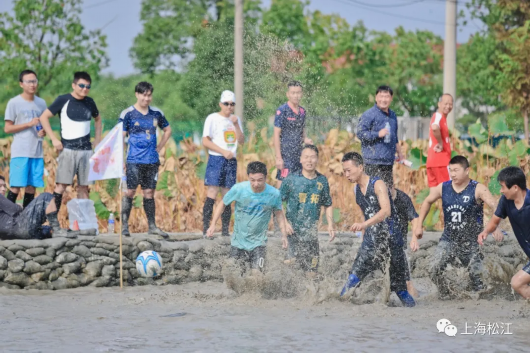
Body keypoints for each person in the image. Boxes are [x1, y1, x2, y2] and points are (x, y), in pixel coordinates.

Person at [412, 155, 503, 298]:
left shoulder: (477, 188)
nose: (452, 174)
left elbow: (495, 206)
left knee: (478, 281)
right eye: (450, 170)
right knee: (433, 268)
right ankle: (447, 292)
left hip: (471, 242)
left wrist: (495, 226)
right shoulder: (443, 187)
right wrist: (419, 225)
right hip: (448, 239)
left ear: (467, 170)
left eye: (456, 170)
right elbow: (427, 202)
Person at [340, 152, 415, 307]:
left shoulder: (377, 184)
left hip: (391, 241)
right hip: (371, 241)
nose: (346, 175)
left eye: (349, 170)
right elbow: (365, 212)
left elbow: (386, 211)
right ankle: (337, 306)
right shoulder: (356, 190)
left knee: (400, 290)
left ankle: (414, 313)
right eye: (344, 171)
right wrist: (364, 232)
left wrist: (364, 225)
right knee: (353, 278)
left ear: (360, 167)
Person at [206, 162, 290, 274]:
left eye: (259, 180)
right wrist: (212, 224)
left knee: (257, 275)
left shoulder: (274, 194)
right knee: (234, 276)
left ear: (265, 177)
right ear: (248, 177)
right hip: (238, 243)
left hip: (259, 243)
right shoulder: (239, 189)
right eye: (252, 180)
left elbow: (279, 213)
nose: (256, 184)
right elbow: (222, 203)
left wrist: (283, 235)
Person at [38, 72, 102, 215]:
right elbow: (43, 117)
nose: (84, 89)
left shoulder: (90, 102)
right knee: (61, 186)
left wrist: (97, 140)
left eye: (87, 86)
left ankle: (84, 223)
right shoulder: (63, 100)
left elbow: (98, 120)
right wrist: (54, 139)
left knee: (84, 187)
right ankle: (53, 221)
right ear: (74, 85)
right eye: (81, 85)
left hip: (86, 151)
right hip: (68, 150)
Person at [119, 82, 172, 238]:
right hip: (133, 160)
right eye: (144, 95)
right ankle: (124, 227)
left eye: (149, 95)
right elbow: (120, 137)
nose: (146, 98)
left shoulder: (156, 113)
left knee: (149, 193)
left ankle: (152, 226)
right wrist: (122, 159)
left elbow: (167, 130)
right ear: (137, 94)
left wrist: (160, 147)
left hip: (151, 161)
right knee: (129, 192)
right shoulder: (128, 114)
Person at [280, 145, 335, 278]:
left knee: (312, 274)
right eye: (306, 157)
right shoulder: (291, 180)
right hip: (293, 232)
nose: (309, 160)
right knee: (290, 263)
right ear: (300, 160)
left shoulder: (322, 180)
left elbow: (328, 204)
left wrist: (330, 225)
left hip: (311, 235)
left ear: (317, 160)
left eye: (312, 157)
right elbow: (278, 202)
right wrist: (285, 223)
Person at [478, 167, 530, 299]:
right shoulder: (506, 201)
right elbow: (495, 221)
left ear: (515, 188)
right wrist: (485, 232)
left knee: (517, 283)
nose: (501, 190)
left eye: (502, 187)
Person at [202, 90, 245, 237]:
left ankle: (225, 231)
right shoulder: (212, 118)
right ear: (220, 104)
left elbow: (241, 141)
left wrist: (236, 125)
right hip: (217, 159)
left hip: (231, 161)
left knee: (227, 195)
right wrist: (222, 151)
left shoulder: (235, 119)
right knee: (212, 193)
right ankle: (206, 228)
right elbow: (205, 140)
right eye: (226, 104)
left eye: (232, 104)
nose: (229, 107)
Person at [4, 70, 47, 208]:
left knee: (31, 188)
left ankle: (26, 222)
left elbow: (43, 125)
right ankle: (4, 220)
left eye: (34, 81)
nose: (32, 84)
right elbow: (7, 128)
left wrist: (43, 131)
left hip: (37, 152)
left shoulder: (41, 103)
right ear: (21, 84)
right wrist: (28, 124)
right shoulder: (14, 102)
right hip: (20, 152)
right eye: (29, 81)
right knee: (15, 186)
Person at [356, 85, 404, 187]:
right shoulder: (369, 114)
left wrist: (400, 152)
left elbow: (394, 136)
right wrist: (377, 134)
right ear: (376, 97)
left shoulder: (393, 115)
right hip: (372, 162)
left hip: (387, 162)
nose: (383, 99)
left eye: (386, 96)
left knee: (388, 192)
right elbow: (360, 133)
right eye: (381, 96)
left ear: (391, 98)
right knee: (373, 193)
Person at [0, 175, 73, 239]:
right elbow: (15, 210)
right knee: (46, 197)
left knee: (45, 229)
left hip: (14, 234)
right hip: (20, 228)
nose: (3, 189)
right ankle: (57, 230)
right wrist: (19, 206)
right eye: (0, 186)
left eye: (4, 186)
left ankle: (54, 230)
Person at [274, 80, 312, 185]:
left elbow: (302, 131)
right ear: (288, 94)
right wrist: (278, 158)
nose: (296, 95)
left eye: (298, 92)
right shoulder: (282, 110)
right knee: (282, 185)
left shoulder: (303, 112)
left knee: (299, 184)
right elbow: (276, 135)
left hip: (299, 155)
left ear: (302, 94)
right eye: (293, 93)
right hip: (285, 155)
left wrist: (306, 139)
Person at [392, 187, 420, 297]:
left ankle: (417, 305)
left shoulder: (402, 198)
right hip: (382, 246)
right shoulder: (376, 197)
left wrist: (414, 238)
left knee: (407, 283)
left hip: (399, 247)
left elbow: (415, 219)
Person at [426, 94, 454, 189]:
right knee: (449, 192)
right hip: (441, 161)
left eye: (450, 104)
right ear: (439, 104)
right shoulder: (438, 115)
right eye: (445, 103)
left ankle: (424, 205)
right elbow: (434, 127)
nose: (448, 106)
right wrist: (441, 143)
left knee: (433, 194)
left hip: (431, 162)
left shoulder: (442, 118)